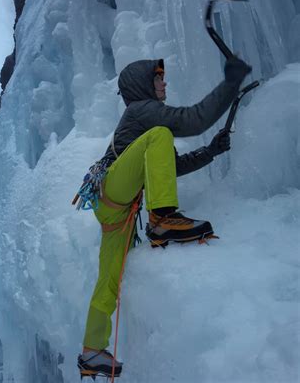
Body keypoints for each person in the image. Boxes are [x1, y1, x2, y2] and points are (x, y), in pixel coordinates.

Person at [78, 56, 252, 378]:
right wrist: (231, 83)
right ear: (144, 85)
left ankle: (91, 352)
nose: (164, 83)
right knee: (161, 134)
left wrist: (210, 151)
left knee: (108, 281)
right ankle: (161, 219)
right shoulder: (141, 110)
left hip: (115, 209)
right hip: (116, 193)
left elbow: (171, 166)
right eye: (159, 78)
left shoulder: (142, 120)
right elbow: (193, 120)